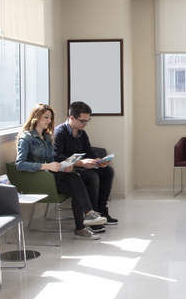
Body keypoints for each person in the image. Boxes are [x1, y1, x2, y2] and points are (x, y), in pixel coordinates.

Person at [15, 103, 107, 240]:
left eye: (50, 118)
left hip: (49, 176)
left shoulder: (46, 138)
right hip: (36, 180)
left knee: (76, 181)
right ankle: (87, 217)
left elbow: (52, 159)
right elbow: (20, 164)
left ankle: (82, 226)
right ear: (36, 117)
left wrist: (63, 166)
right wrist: (47, 167)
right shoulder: (26, 137)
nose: (49, 121)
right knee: (77, 183)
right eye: (46, 117)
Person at [53, 101, 117, 227]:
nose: (86, 124)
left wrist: (98, 160)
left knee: (108, 171)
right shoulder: (59, 132)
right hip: (68, 169)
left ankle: (101, 210)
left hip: (80, 165)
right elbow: (57, 156)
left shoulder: (82, 132)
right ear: (72, 118)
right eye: (83, 121)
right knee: (91, 176)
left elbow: (88, 150)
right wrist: (81, 163)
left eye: (88, 120)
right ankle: (92, 215)